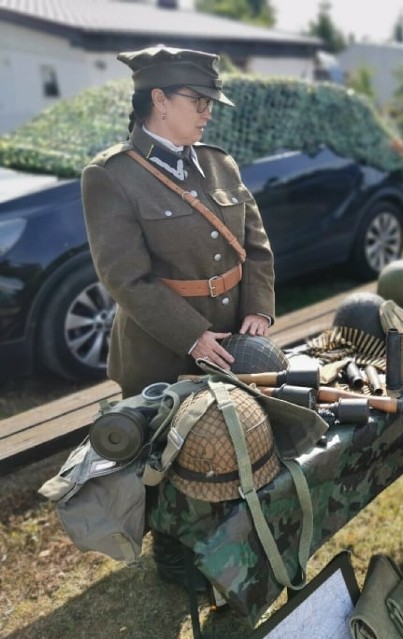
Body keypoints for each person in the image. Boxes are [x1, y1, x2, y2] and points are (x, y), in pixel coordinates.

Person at [80, 45, 276, 586]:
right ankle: (173, 554)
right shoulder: (112, 176)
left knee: (231, 442)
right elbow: (125, 278)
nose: (208, 110)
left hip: (234, 339)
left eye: (211, 100)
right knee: (165, 459)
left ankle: (233, 537)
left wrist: (257, 308)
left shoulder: (218, 162)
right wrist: (191, 336)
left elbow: (255, 246)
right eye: (198, 99)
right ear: (159, 100)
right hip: (161, 348)